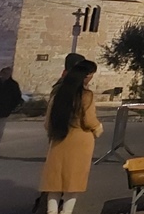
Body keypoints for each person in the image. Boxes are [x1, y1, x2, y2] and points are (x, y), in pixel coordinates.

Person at [39, 59, 102, 214]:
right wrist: (98, 128)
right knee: (73, 183)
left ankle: (51, 211)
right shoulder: (86, 95)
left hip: (59, 137)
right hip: (80, 140)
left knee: (54, 183)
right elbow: (88, 120)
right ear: (86, 76)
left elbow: (47, 121)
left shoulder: (58, 93)